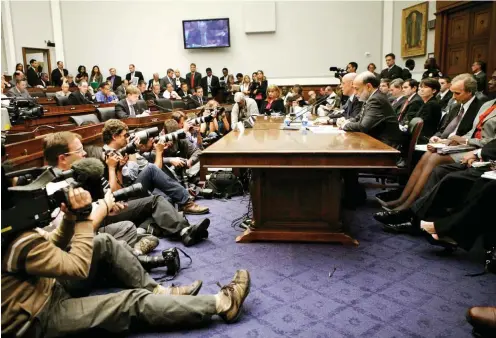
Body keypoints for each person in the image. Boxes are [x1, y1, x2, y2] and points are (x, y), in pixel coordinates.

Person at [1, 177, 251, 336]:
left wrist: (68, 218)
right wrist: (85, 219)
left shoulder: (13, 232)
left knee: (104, 243)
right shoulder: (14, 240)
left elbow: (51, 246)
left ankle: (158, 293)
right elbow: (76, 267)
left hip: (47, 285)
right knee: (130, 303)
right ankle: (222, 304)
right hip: (36, 318)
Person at [379, 75, 488, 212]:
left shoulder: (480, 107)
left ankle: (410, 206)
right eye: (452, 92)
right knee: (429, 153)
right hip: (449, 142)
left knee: (434, 157)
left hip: (466, 145)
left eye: (457, 93)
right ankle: (403, 199)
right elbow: (444, 128)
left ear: (469, 92)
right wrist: (438, 138)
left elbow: (471, 134)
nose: (453, 97)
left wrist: (451, 141)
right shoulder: (456, 106)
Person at [101, 119, 209, 214]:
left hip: (133, 187)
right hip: (127, 194)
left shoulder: (120, 151)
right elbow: (127, 180)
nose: (127, 138)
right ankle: (186, 203)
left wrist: (133, 149)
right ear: (114, 137)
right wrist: (131, 152)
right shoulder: (108, 155)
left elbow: (136, 172)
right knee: (151, 169)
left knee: (164, 194)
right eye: (125, 136)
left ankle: (183, 201)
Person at [337, 71, 404, 148]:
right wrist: (347, 121)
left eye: (357, 89)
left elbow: (363, 126)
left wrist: (345, 125)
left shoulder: (376, 100)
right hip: (377, 141)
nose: (355, 93)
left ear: (368, 87)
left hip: (385, 146)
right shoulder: (372, 97)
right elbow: (358, 118)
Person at [415, 78, 442, 142]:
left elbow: (424, 124)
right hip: (420, 135)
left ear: (434, 90)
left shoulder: (432, 104)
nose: (421, 89)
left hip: (425, 137)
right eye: (421, 87)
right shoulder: (426, 103)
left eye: (425, 87)